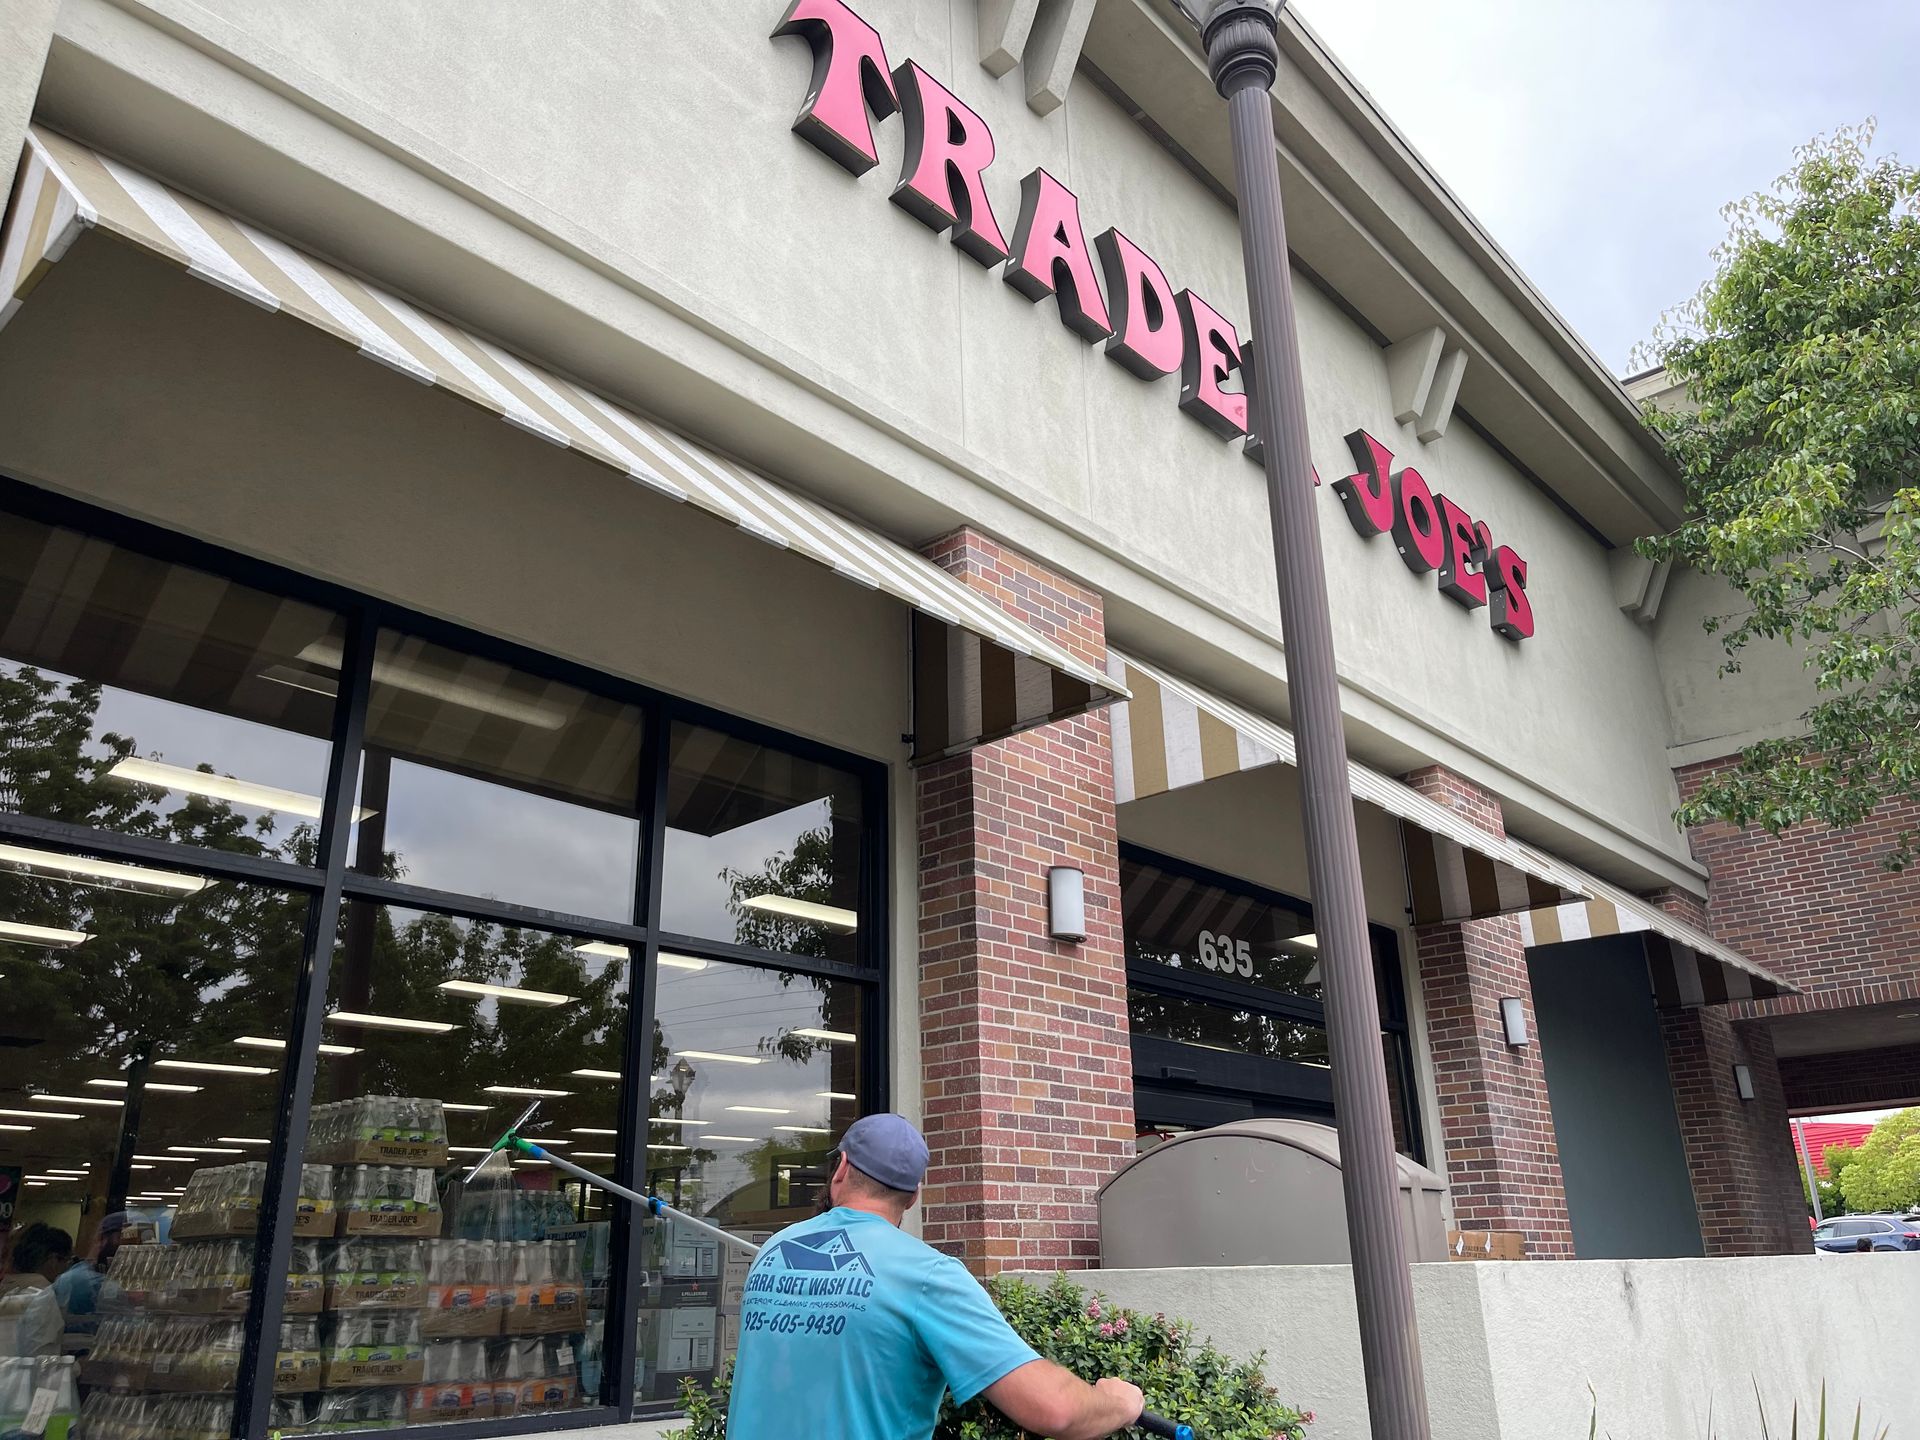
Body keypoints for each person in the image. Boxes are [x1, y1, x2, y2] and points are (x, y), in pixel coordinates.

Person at [726, 1114, 1144, 1440]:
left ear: (842, 1169)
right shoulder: (927, 1275)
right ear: (913, 1195)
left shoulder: (773, 1252)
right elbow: (1055, 1409)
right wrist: (1117, 1403)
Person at [0, 1223, 73, 1358]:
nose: (67, 1268)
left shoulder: (6, 1286)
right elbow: (43, 1361)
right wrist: (76, 1368)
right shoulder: (42, 1296)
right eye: (67, 1261)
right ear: (53, 1260)